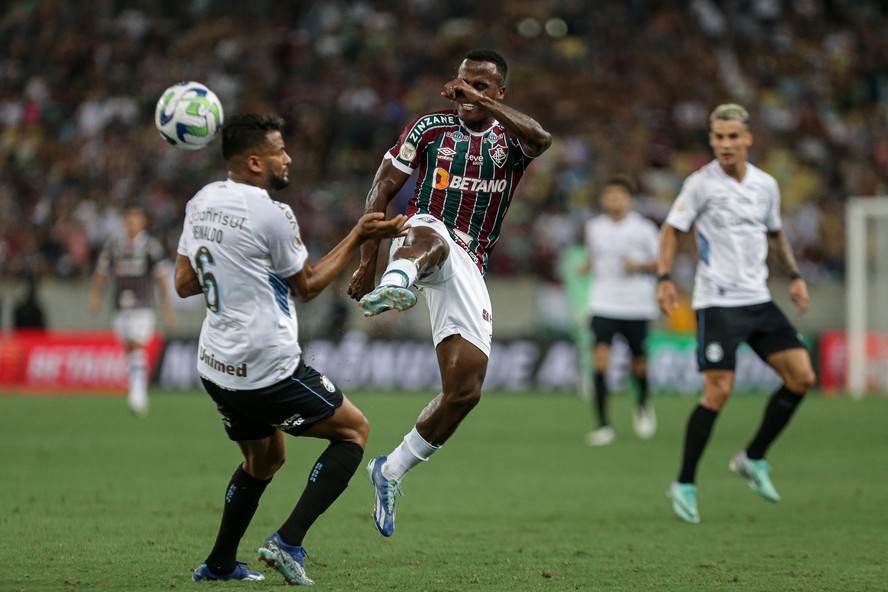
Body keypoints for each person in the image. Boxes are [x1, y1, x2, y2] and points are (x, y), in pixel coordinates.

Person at [175, 114, 406, 584]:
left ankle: (220, 564)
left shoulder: (202, 202)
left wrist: (235, 267)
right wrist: (359, 235)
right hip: (266, 365)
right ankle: (287, 541)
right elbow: (307, 286)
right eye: (281, 150)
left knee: (265, 459)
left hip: (216, 363)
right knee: (355, 432)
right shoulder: (271, 214)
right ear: (256, 161)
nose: (289, 158)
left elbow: (183, 283)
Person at [347, 49, 552, 537]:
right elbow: (382, 188)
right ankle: (398, 283)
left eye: (480, 85)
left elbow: (542, 139)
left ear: (499, 93)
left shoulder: (511, 137)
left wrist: (485, 103)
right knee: (430, 234)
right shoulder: (428, 129)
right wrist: (367, 262)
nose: (466, 92)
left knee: (465, 391)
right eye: (462, 82)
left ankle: (391, 469)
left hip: (469, 261)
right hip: (421, 232)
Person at [657, 104, 816, 524]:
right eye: (718, 137)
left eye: (733, 137)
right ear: (711, 140)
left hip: (758, 300)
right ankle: (685, 483)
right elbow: (672, 230)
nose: (725, 144)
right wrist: (665, 276)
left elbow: (776, 232)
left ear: (748, 138)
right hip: (717, 302)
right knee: (718, 392)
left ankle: (754, 457)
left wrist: (796, 275)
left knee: (802, 378)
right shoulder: (699, 185)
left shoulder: (766, 185)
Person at [580, 175, 659, 446]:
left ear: (630, 199)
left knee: (639, 362)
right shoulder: (594, 227)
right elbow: (595, 255)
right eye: (609, 194)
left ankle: (643, 404)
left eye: (619, 194)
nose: (613, 199)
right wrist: (586, 266)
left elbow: (662, 262)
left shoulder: (644, 229)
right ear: (603, 199)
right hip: (603, 301)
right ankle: (603, 425)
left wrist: (638, 266)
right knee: (600, 361)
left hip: (636, 303)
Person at [89, 202, 174, 416]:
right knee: (129, 349)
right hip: (119, 306)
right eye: (128, 217)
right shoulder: (114, 245)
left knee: (137, 346)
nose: (131, 221)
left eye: (135, 217)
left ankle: (138, 394)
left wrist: (167, 305)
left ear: (142, 222)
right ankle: (137, 386)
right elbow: (101, 271)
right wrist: (96, 295)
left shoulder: (150, 246)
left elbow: (161, 277)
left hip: (143, 306)